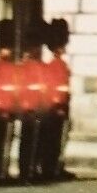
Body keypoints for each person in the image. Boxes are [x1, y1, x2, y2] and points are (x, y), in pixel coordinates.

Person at [0, 19, 21, 184]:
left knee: (8, 141)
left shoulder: (13, 67)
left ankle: (3, 171)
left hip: (11, 108)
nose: (7, 51)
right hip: (0, 109)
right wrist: (0, 105)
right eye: (4, 47)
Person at [17, 22, 51, 184]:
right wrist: (27, 107)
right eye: (35, 46)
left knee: (39, 144)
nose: (37, 49)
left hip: (40, 110)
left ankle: (34, 170)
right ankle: (25, 173)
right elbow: (21, 88)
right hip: (29, 110)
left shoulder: (42, 66)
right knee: (28, 144)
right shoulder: (24, 67)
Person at [41, 18, 73, 182]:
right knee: (54, 141)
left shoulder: (60, 65)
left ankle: (56, 167)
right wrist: (59, 105)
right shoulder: (55, 66)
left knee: (59, 139)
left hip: (61, 106)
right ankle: (51, 168)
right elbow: (55, 89)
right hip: (56, 108)